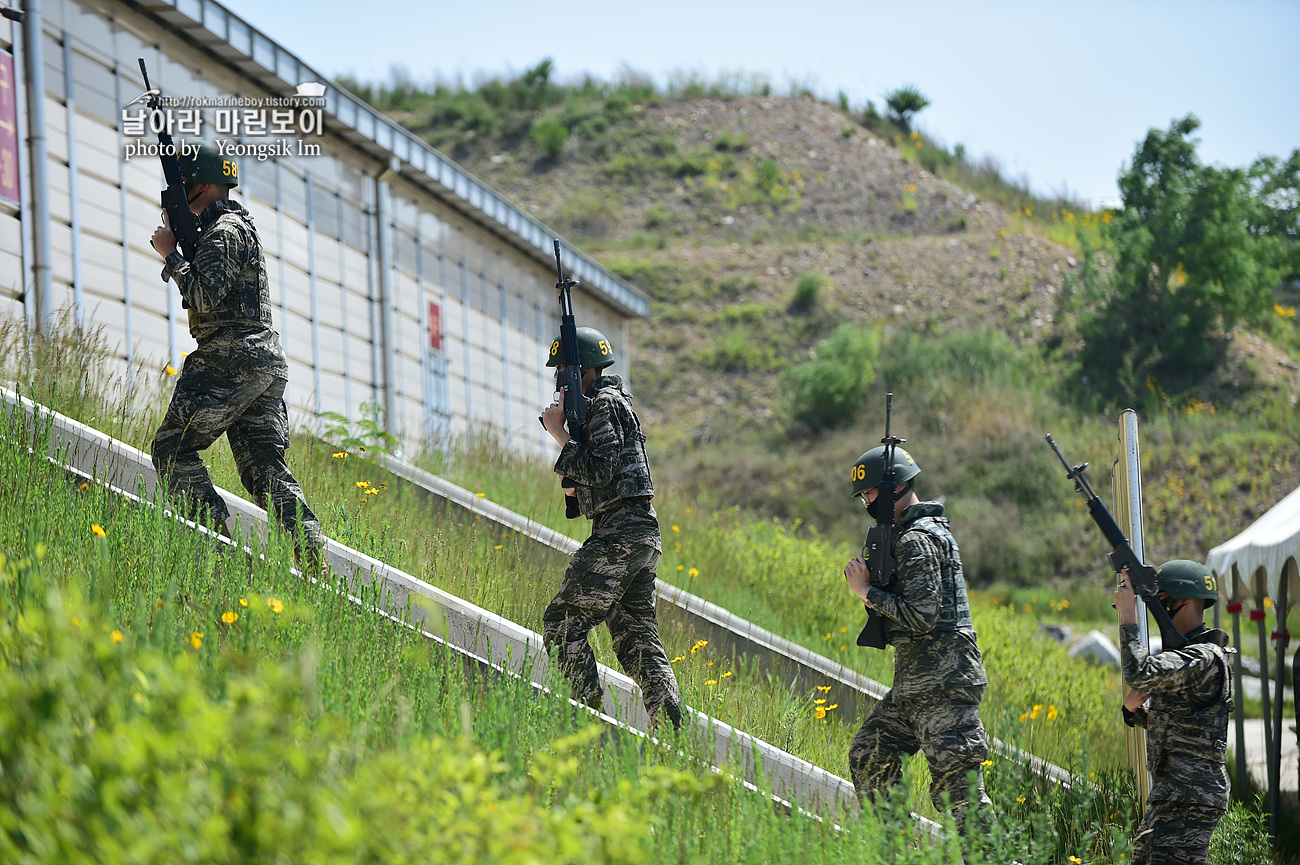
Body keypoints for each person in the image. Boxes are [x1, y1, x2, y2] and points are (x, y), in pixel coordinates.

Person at [149, 141, 324, 558]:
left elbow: (205, 295)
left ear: (203, 185)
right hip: (262, 359)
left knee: (171, 448)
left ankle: (214, 543)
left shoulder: (224, 233)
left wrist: (171, 255)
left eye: (182, 186)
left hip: (230, 356)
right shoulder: (234, 228)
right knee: (264, 469)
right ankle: (311, 553)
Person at [842, 444, 991, 832]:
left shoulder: (917, 540)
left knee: (960, 792)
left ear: (891, 488)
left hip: (941, 683)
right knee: (870, 753)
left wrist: (866, 592)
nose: (866, 503)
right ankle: (892, 848)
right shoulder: (912, 535)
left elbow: (922, 617)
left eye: (869, 494)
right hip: (919, 684)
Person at [539, 327, 682, 731]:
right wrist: (571, 467)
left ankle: (586, 720)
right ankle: (673, 736)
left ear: (581, 371)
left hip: (618, 534)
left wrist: (560, 434)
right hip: (637, 534)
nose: (557, 381)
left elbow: (600, 470)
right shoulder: (609, 406)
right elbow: (589, 480)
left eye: (562, 371)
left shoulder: (603, 405)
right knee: (637, 641)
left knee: (561, 623)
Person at [1117, 560, 1231, 865]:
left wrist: (1128, 616)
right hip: (1175, 792)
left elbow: (1140, 675)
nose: (1160, 609)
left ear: (1186, 601)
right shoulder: (1187, 657)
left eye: (1163, 601)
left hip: (1191, 795)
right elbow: (1180, 724)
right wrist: (1133, 711)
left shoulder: (1203, 658)